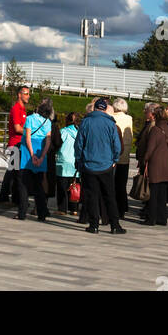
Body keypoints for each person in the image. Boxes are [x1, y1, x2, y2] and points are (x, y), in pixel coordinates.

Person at [75, 97, 126, 234]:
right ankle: (115, 225)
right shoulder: (110, 124)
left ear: (95, 108)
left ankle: (94, 225)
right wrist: (114, 159)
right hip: (106, 165)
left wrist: (79, 159)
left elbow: (79, 144)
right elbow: (116, 145)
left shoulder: (85, 122)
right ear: (105, 109)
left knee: (92, 196)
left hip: (89, 165)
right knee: (109, 196)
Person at [137, 104, 168, 226]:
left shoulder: (155, 130)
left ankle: (151, 218)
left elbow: (150, 148)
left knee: (153, 193)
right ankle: (162, 218)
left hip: (155, 165)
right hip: (167, 165)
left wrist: (144, 160)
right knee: (162, 194)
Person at [18, 97, 54, 222]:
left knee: (23, 184)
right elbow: (48, 141)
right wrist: (42, 156)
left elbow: (27, 137)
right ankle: (42, 213)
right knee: (39, 185)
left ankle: (22, 213)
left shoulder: (30, 119)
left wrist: (32, 154)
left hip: (28, 151)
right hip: (41, 150)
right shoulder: (48, 122)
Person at [0, 84, 30, 207]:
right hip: (15, 144)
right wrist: (29, 131)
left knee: (16, 173)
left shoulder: (23, 109)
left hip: (19, 144)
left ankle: (16, 198)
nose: (28, 96)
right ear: (19, 95)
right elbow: (17, 128)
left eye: (28, 93)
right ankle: (4, 197)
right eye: (26, 93)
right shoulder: (16, 109)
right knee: (12, 172)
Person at [111, 97, 134, 219]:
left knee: (112, 184)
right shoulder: (129, 118)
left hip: (113, 155)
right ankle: (122, 209)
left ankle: (113, 209)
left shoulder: (112, 116)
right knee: (121, 184)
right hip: (125, 155)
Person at [56, 112, 81, 215]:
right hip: (76, 163)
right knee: (74, 186)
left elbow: (57, 144)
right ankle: (74, 209)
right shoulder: (80, 132)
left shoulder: (63, 131)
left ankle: (62, 209)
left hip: (63, 163)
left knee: (62, 187)